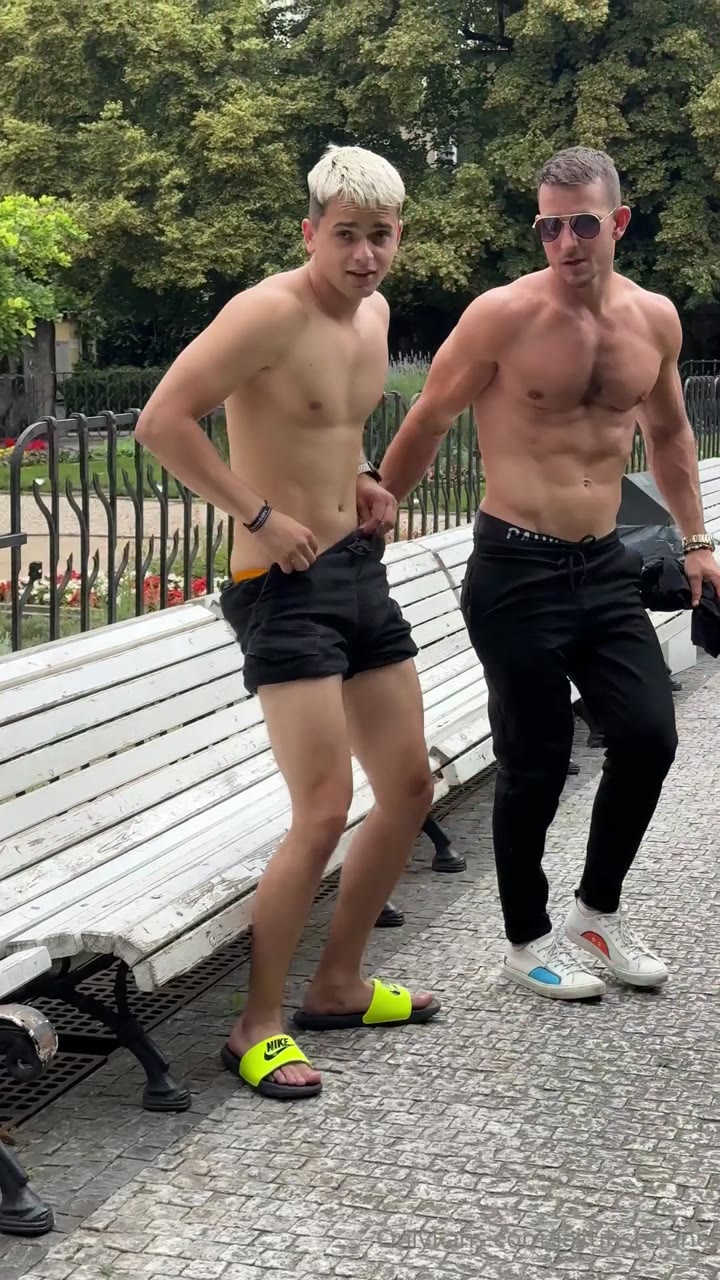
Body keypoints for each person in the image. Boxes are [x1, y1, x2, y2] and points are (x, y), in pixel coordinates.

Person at [378, 146, 720, 1001]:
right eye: (549, 227)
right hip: (515, 569)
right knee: (534, 758)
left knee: (649, 735)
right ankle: (525, 939)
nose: (565, 242)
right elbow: (429, 419)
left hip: (604, 564)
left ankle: (595, 915)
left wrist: (697, 540)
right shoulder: (502, 316)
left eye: (583, 224)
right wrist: (377, 511)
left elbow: (669, 435)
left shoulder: (654, 320)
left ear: (619, 222)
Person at [134, 144, 440, 1101]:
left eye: (379, 236)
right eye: (345, 235)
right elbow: (162, 422)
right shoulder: (265, 312)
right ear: (311, 231)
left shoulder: (374, 316)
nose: (363, 255)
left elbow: (330, 427)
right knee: (322, 808)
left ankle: (339, 985)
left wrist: (364, 478)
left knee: (409, 786)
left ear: (398, 236)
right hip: (281, 584)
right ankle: (253, 1026)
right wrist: (256, 513)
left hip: (356, 570)